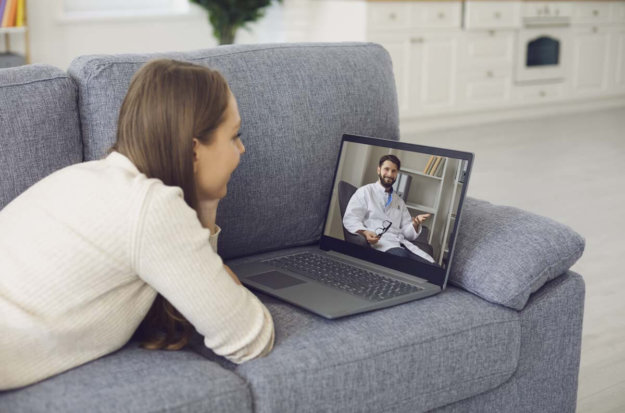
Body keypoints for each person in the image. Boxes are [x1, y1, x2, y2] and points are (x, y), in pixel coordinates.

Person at [0, 59, 274, 390]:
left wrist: (202, 201)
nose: (241, 149)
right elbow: (250, 338)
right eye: (234, 136)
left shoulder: (85, 176)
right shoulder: (150, 208)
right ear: (193, 149)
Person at [342, 154, 436, 264]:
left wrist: (415, 224)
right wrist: (365, 232)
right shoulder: (365, 192)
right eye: (386, 169)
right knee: (402, 259)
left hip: (401, 243)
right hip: (381, 243)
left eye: (394, 171)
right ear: (379, 170)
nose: (390, 174)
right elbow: (351, 218)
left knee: (432, 265)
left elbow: (407, 233)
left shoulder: (399, 201)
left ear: (397, 174)